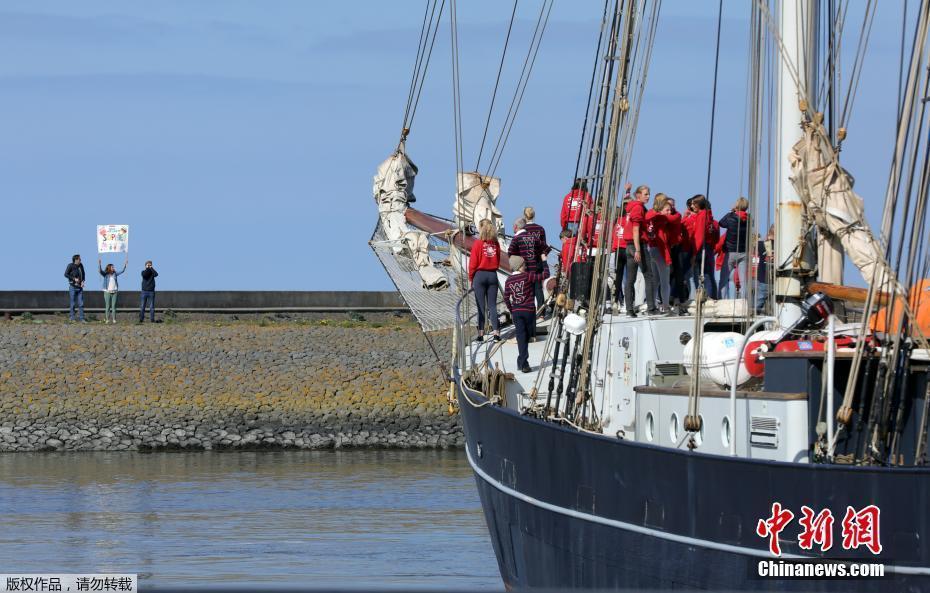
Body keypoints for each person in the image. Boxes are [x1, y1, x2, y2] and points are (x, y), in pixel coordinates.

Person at [504, 255, 547, 373]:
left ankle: (521, 361)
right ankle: (524, 364)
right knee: (526, 336)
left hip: (517, 312)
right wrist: (544, 261)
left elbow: (506, 298)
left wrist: (512, 310)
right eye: (524, 265)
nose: (526, 266)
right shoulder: (527, 276)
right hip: (528, 311)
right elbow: (544, 275)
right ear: (519, 266)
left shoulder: (508, 280)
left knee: (522, 338)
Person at [624, 184, 657, 317]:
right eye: (645, 194)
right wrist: (638, 250)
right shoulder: (638, 208)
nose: (648, 196)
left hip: (628, 246)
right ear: (638, 195)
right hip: (637, 246)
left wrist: (627, 191)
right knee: (649, 276)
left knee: (630, 279)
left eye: (649, 194)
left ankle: (629, 310)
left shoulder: (632, 206)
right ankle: (651, 308)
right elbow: (635, 229)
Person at [468, 220, 501, 342]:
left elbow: (473, 264)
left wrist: (471, 278)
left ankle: (481, 334)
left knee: (480, 307)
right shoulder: (496, 244)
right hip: (492, 275)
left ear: (481, 228)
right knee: (492, 306)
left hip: (480, 275)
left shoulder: (477, 244)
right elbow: (497, 261)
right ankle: (496, 333)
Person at [513, 211, 549, 312]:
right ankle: (541, 312)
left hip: (526, 264)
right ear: (534, 215)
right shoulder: (540, 229)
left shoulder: (523, 230)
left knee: (527, 288)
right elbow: (544, 247)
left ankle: (529, 310)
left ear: (524, 216)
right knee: (538, 288)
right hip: (537, 262)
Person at [718, 197, 751, 299]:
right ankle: (744, 301)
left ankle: (722, 299)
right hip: (744, 252)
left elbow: (721, 223)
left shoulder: (730, 217)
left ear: (736, 206)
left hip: (730, 252)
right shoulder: (749, 218)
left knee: (724, 278)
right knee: (743, 280)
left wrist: (731, 211)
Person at [688, 196, 719, 299]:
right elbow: (715, 236)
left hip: (701, 248)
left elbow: (699, 235)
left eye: (693, 204)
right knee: (709, 274)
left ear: (699, 204)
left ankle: (706, 296)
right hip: (709, 248)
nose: (691, 206)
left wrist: (694, 253)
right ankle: (712, 296)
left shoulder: (701, 215)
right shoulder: (709, 215)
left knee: (701, 274)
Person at [646, 194, 671, 313]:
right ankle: (665, 306)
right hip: (660, 251)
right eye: (667, 210)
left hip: (651, 249)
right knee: (665, 281)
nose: (669, 212)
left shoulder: (650, 216)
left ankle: (652, 304)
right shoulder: (661, 219)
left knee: (655, 280)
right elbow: (663, 239)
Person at [99, 257, 128, 324]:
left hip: (114, 292)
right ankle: (107, 319)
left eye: (113, 267)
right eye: (112, 267)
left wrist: (125, 265)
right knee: (108, 306)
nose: (113, 268)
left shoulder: (115, 274)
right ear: (109, 268)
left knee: (114, 306)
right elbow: (100, 271)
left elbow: (122, 271)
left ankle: (114, 319)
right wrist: (100, 264)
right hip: (107, 292)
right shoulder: (106, 274)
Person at [64, 254, 86, 322]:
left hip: (80, 287)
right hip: (72, 287)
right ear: (76, 260)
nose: (80, 260)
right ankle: (72, 318)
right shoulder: (70, 265)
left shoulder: (81, 265)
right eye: (79, 259)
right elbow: (65, 274)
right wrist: (74, 279)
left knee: (81, 303)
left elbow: (83, 273)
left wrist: (83, 281)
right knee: (73, 303)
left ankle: (82, 318)